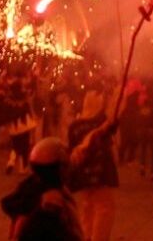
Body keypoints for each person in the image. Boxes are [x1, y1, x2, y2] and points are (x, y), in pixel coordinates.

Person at [1, 137, 82, 241]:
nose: (67, 170)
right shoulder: (50, 200)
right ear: (58, 168)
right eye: (64, 166)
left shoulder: (29, 187)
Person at [67, 91, 119, 241]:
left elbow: (71, 148)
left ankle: (86, 236)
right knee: (104, 209)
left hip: (83, 174)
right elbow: (113, 122)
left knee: (88, 208)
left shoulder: (75, 125)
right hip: (100, 174)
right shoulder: (101, 123)